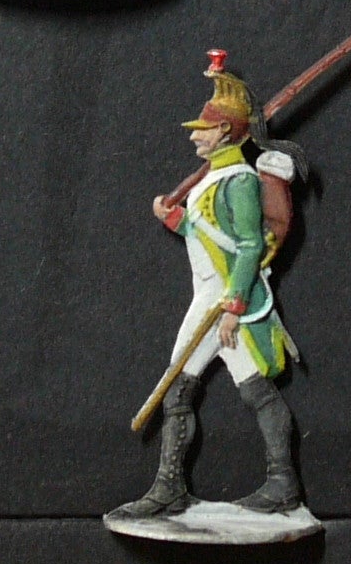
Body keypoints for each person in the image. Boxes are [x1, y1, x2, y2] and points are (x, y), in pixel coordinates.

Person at [114, 53, 305, 519]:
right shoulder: (217, 178)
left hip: (224, 300)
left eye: (202, 129)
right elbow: (207, 233)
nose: (194, 136)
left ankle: (277, 485)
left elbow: (247, 246)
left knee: (235, 391)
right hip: (209, 296)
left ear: (223, 131)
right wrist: (174, 219)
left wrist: (233, 307)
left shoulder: (239, 180)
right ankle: (172, 488)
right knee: (202, 390)